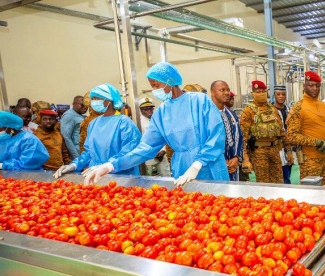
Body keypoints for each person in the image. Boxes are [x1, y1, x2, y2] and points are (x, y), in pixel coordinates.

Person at [79, 62, 228, 185]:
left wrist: (198, 164)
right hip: (181, 167)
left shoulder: (200, 101)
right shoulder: (161, 112)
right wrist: (112, 165)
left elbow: (216, 135)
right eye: (152, 86)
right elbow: (146, 147)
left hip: (210, 165)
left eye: (156, 85)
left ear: (169, 81)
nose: (154, 90)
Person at [53, 83, 142, 179]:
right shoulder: (94, 123)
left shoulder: (124, 123)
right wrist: (74, 165)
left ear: (108, 101)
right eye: (93, 99)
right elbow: (89, 153)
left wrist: (108, 165)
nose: (93, 102)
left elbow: (130, 152)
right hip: (96, 176)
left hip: (121, 178)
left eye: (97, 99)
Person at [286, 71, 325, 186]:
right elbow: (292, 136)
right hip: (309, 161)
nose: (315, 88)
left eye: (317, 86)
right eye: (311, 85)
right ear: (304, 86)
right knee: (311, 194)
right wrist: (317, 142)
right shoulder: (298, 108)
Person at [240, 80, 288, 184]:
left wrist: (288, 151)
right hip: (259, 152)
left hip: (275, 151)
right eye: (257, 92)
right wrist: (245, 158)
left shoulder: (273, 109)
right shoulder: (248, 111)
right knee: (263, 183)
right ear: (253, 93)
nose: (261, 94)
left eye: (263, 91)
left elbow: (281, 131)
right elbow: (243, 137)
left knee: (279, 181)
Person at [210, 80, 243, 181]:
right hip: (215, 164)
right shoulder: (207, 114)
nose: (226, 93)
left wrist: (237, 158)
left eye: (228, 90)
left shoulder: (231, 114)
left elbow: (239, 138)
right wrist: (221, 161)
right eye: (222, 90)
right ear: (212, 92)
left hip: (233, 165)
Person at [138, 97, 171, 177]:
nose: (149, 111)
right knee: (147, 179)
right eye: (146, 109)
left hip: (161, 154)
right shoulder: (138, 122)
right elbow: (141, 140)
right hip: (148, 156)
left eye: (150, 108)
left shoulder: (158, 119)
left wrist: (163, 150)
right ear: (141, 110)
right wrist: (153, 152)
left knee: (167, 177)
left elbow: (162, 136)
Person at [272, 85, 294, 184]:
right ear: (274, 95)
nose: (281, 96)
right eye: (278, 94)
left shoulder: (289, 110)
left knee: (288, 173)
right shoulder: (270, 111)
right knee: (280, 176)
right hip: (277, 148)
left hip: (289, 146)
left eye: (283, 94)